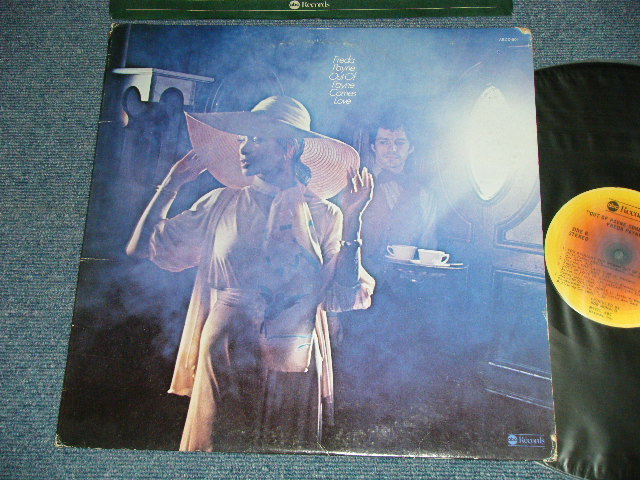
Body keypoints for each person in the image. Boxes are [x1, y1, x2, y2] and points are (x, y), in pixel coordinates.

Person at [126, 96, 375, 451]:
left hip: (295, 347)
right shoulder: (222, 203)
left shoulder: (325, 215)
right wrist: (170, 185)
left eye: (256, 139)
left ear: (288, 148)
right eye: (243, 139)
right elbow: (142, 247)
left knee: (281, 449)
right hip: (228, 344)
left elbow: (344, 293)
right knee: (220, 444)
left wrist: (353, 220)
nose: (243, 147)